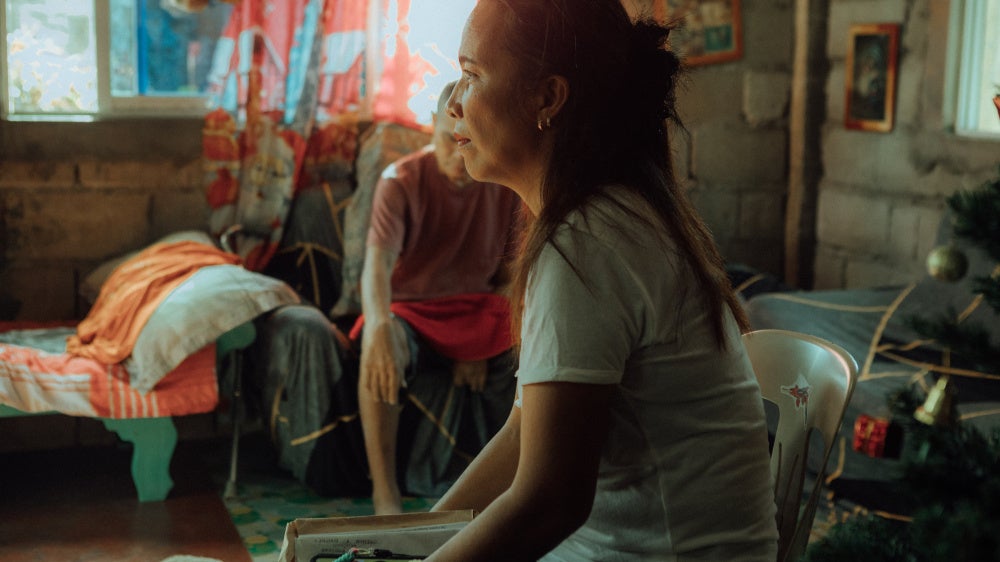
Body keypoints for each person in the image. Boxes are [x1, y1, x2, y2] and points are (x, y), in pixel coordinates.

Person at [426, 1, 779, 560]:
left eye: (472, 76)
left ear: (547, 98)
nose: (453, 102)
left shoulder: (584, 246)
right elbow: (524, 436)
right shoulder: (607, 217)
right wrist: (406, 543)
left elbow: (550, 503)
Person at [352, 81, 522, 515]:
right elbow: (376, 268)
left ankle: (515, 488)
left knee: (530, 343)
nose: (459, 156)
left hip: (476, 309)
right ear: (431, 128)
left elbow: (509, 278)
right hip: (411, 309)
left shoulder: (502, 184)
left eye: (470, 142)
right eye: (450, 140)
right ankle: (384, 492)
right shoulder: (401, 181)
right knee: (383, 347)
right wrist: (377, 325)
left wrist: (481, 340)